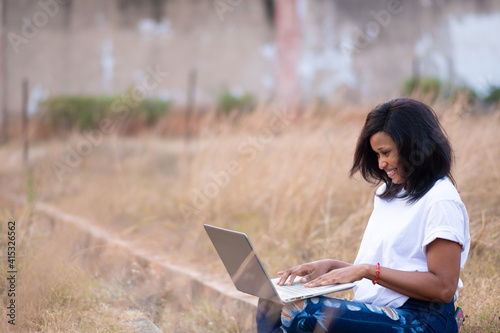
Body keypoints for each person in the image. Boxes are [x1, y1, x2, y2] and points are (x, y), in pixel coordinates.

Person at [256, 98, 470, 333]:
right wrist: (332, 266)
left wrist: (368, 270)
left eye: (385, 152)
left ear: (413, 145)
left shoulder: (441, 200)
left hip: (423, 320)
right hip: (382, 307)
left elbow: (443, 287)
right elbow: (394, 269)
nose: (381, 163)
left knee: (301, 311)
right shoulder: (389, 195)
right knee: (271, 301)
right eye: (377, 155)